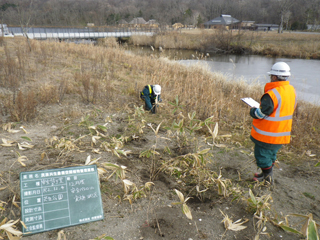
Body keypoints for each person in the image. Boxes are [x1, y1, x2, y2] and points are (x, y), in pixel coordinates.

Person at [250, 62, 296, 184]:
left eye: (271, 76)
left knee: (262, 156)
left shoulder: (271, 94)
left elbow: (261, 113)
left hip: (267, 135)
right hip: (281, 133)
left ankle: (267, 178)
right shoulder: (291, 90)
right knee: (271, 155)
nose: (271, 78)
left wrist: (253, 111)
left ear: (275, 77)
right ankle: (265, 175)